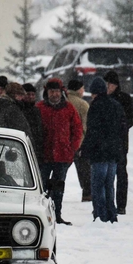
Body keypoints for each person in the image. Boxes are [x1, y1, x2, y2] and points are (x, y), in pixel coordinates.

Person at [35, 78, 83, 225]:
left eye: (56, 91)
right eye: (51, 91)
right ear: (46, 93)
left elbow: (77, 130)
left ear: (61, 92)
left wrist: (72, 148)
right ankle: (41, 216)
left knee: (58, 188)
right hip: (44, 156)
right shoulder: (39, 108)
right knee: (41, 187)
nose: (54, 94)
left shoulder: (69, 108)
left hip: (63, 156)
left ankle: (57, 215)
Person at [78, 77, 126, 223]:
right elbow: (122, 128)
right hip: (113, 153)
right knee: (109, 185)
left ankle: (100, 215)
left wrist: (84, 149)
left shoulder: (95, 106)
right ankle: (112, 214)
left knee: (98, 187)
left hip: (99, 153)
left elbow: (92, 131)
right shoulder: (116, 105)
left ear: (94, 92)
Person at [104, 70, 133, 215]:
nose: (107, 87)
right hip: (105, 143)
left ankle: (121, 204)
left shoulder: (125, 99)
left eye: (109, 84)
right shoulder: (102, 99)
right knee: (106, 174)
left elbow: (131, 119)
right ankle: (107, 203)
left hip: (120, 142)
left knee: (121, 173)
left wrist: (119, 128)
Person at [66, 79, 91, 202]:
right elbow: (86, 125)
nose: (84, 91)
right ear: (78, 89)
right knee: (84, 171)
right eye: (82, 88)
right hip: (79, 143)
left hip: (63, 143)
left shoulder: (64, 101)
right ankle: (87, 195)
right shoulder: (82, 104)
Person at [21, 83, 45, 163]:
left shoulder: (36, 110)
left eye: (32, 94)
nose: (30, 97)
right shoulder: (19, 110)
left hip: (36, 149)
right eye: (28, 94)